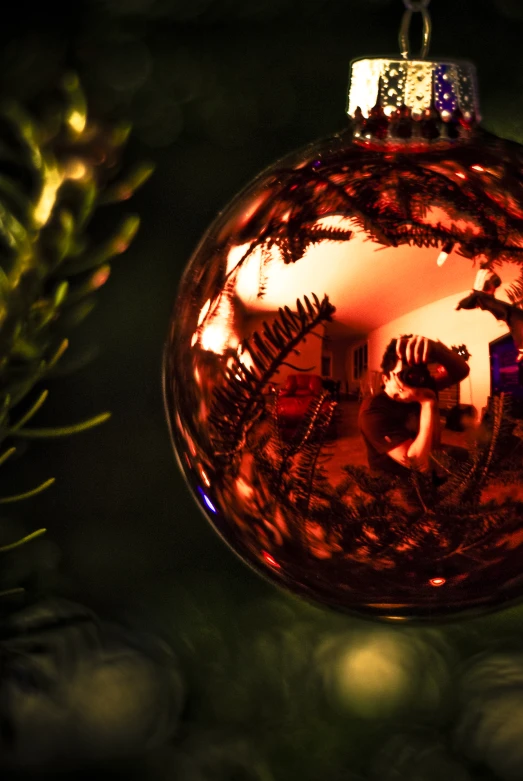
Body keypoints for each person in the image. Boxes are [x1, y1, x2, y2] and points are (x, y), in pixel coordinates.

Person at [358, 335, 470, 476]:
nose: (412, 378)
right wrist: (427, 402)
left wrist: (436, 349)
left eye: (416, 371)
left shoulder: (422, 386)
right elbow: (418, 465)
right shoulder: (372, 411)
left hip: (430, 452)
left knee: (471, 459)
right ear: (386, 378)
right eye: (404, 372)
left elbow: (462, 370)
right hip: (396, 477)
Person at [457, 266, 523, 360]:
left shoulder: (487, 300)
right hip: (508, 315)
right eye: (493, 287)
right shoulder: (484, 299)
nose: (494, 290)